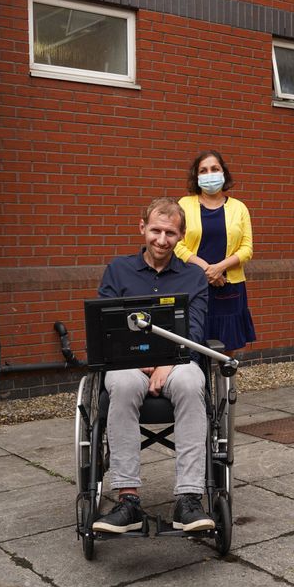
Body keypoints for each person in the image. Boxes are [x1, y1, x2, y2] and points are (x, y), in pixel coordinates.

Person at [92, 197, 215, 533]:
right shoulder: (118, 270)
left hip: (179, 361)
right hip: (127, 363)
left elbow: (195, 330)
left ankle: (189, 499)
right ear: (142, 227)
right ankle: (128, 499)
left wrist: (166, 363)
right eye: (156, 230)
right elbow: (106, 327)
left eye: (171, 233)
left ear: (181, 237)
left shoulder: (194, 277)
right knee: (124, 384)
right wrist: (143, 362)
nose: (162, 240)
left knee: (193, 383)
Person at [174, 151, 256, 354]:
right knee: (193, 340)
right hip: (192, 284)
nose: (209, 174)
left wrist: (220, 268)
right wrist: (207, 270)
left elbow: (247, 248)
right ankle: (197, 385)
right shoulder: (184, 204)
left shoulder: (239, 208)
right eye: (203, 170)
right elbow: (176, 244)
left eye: (214, 169)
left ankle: (227, 385)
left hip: (229, 286)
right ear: (196, 176)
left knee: (227, 345)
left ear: (224, 173)